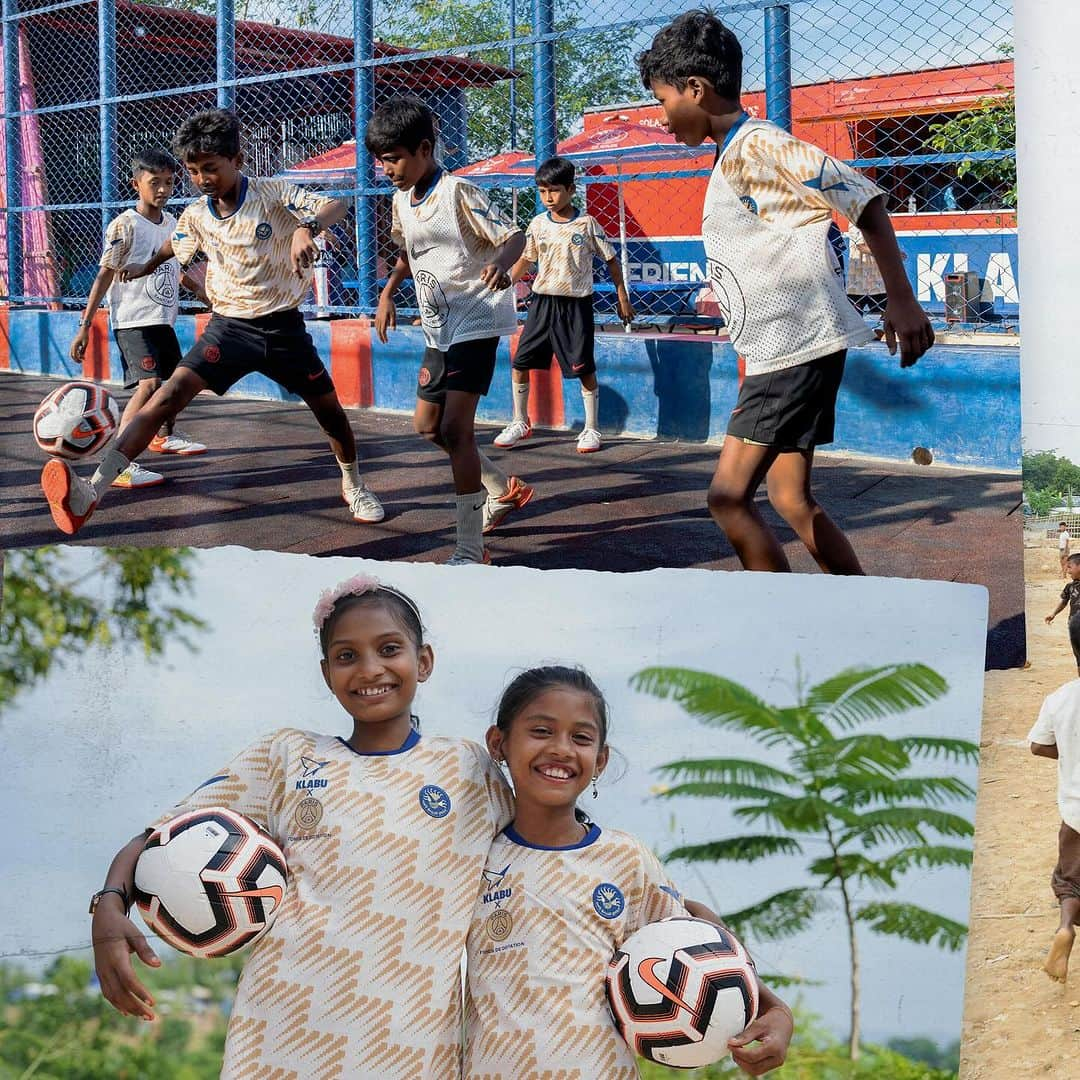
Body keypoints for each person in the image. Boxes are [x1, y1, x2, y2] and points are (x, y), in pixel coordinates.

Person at [89, 575, 514, 1078]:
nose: (370, 669)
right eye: (347, 656)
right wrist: (108, 907)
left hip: (411, 1048)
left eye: (389, 648)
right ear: (326, 671)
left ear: (423, 662)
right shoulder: (288, 756)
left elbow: (533, 861)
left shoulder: (467, 767)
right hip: (279, 1034)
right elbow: (156, 840)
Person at [638, 11, 934, 574]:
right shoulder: (735, 154)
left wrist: (902, 298)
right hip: (790, 348)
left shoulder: (758, 145)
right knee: (791, 498)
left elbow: (863, 198)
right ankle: (869, 611)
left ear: (696, 90)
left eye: (663, 100)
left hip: (794, 349)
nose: (662, 117)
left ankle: (782, 625)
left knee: (727, 498)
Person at [41, 109, 384, 536]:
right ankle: (91, 492)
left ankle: (354, 484)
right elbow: (175, 243)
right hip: (229, 328)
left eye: (210, 168)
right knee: (166, 396)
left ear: (237, 160)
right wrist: (147, 265)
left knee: (329, 410)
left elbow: (339, 202)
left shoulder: (273, 193)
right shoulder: (196, 216)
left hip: (283, 329)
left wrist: (305, 229)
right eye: (193, 171)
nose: (201, 178)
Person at [464, 665, 794, 1077]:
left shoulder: (624, 858)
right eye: (541, 731)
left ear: (600, 759)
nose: (562, 749)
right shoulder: (476, 859)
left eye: (580, 738)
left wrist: (776, 1011)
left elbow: (697, 937)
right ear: (499, 743)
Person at [368, 95, 534, 565]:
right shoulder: (402, 199)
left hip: (475, 320)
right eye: (382, 161)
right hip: (438, 328)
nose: (388, 170)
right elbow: (406, 252)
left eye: (394, 158)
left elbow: (514, 236)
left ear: (424, 149)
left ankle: (469, 547)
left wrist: (503, 264)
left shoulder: (458, 193)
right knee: (428, 427)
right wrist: (387, 293)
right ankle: (504, 488)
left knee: (457, 430)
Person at [70, 149, 210, 490]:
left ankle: (162, 436)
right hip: (132, 321)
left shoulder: (174, 224)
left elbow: (177, 271)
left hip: (162, 318)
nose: (162, 189)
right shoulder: (125, 225)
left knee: (176, 383)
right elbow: (104, 275)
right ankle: (118, 461)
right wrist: (85, 326)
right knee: (148, 385)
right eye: (154, 183)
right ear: (136, 184)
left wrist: (206, 295)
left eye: (168, 182)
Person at [493, 155, 634, 454]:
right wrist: (504, 283)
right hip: (542, 303)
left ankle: (591, 428)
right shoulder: (537, 224)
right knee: (520, 362)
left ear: (571, 190)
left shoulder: (586, 224)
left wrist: (622, 296)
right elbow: (526, 259)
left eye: (554, 191)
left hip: (575, 306)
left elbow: (611, 260)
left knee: (584, 368)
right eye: (543, 191)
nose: (548, 198)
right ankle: (520, 421)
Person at [1028, 679, 1080, 983]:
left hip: (1076, 813)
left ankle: (1065, 928)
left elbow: (1037, 745)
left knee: (1070, 881)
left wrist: (1069, 750)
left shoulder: (1060, 698)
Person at [1045, 553, 1080, 675]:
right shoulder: (1070, 587)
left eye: (1070, 567)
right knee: (1078, 657)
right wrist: (1053, 613)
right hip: (1075, 628)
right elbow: (1064, 602)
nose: (1067, 571)